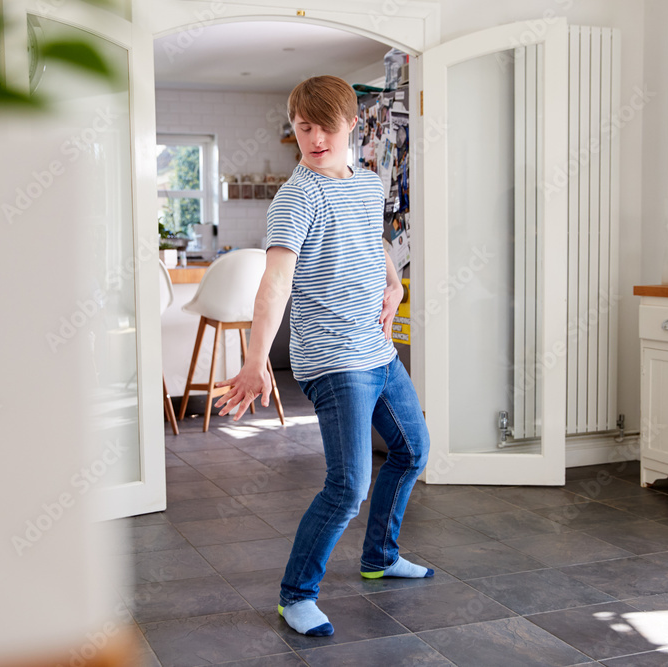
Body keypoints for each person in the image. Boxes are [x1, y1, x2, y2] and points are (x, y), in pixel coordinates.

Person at [213, 75, 432, 638]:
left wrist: (394, 282)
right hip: (333, 360)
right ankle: (297, 595)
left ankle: (379, 557)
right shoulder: (297, 197)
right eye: (302, 127)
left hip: (377, 350)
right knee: (348, 486)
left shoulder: (366, 183)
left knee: (412, 450)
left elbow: (374, 238)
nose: (313, 139)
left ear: (352, 124)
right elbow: (274, 283)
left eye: (325, 126)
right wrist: (257, 359)